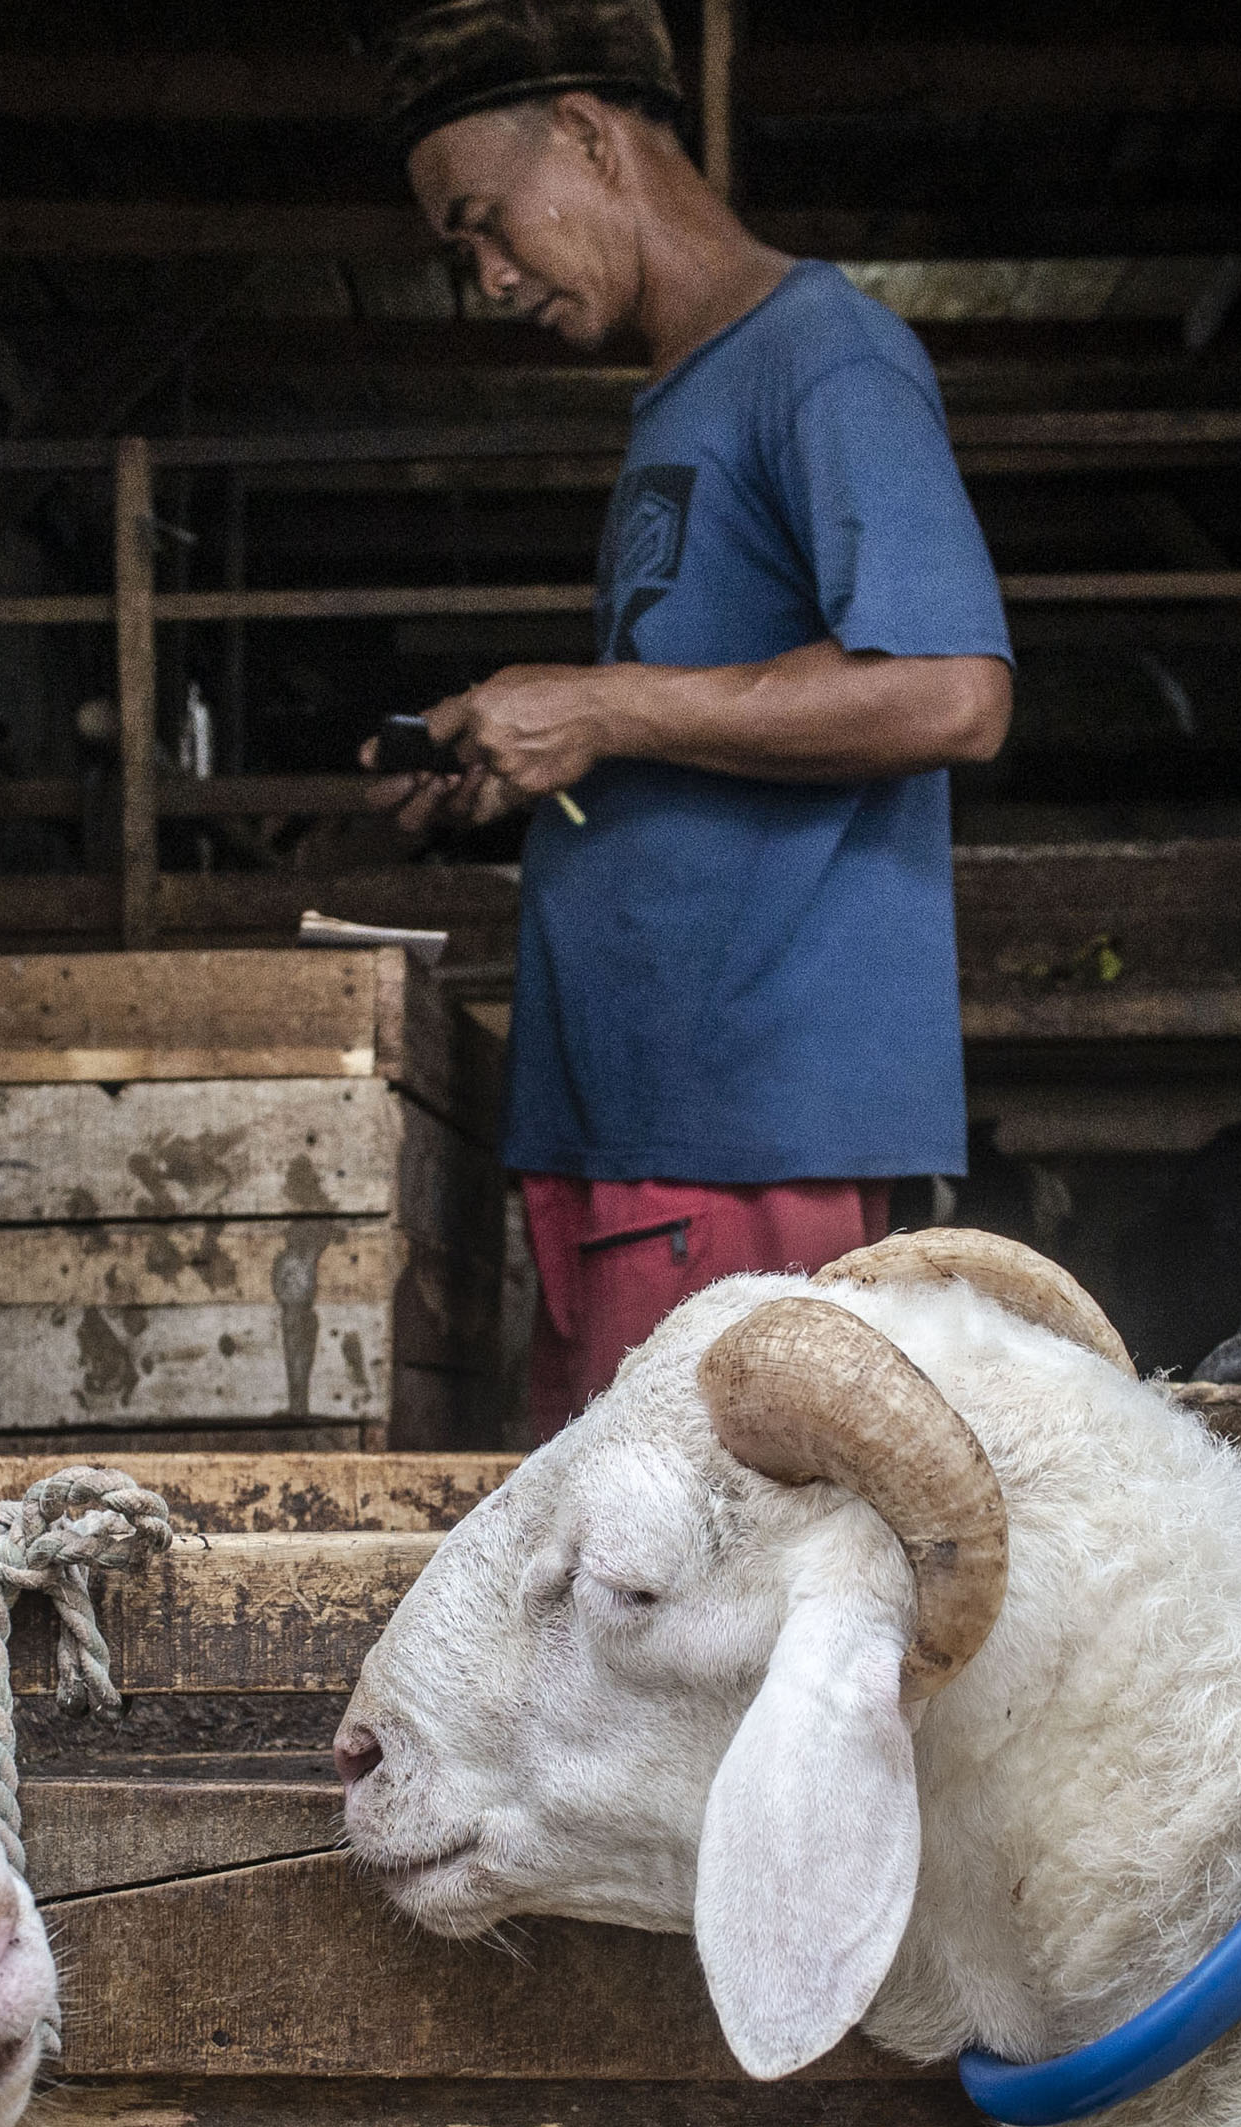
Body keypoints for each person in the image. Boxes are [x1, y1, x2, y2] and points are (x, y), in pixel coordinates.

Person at [362, 0, 1014, 1440]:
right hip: (637, 1126)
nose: (481, 278)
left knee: (689, 1596)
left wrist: (595, 704)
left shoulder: (821, 356)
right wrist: (521, 755)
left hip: (731, 1140)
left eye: (483, 224)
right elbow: (694, 721)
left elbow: (953, 690)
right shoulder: (686, 394)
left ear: (589, 137)